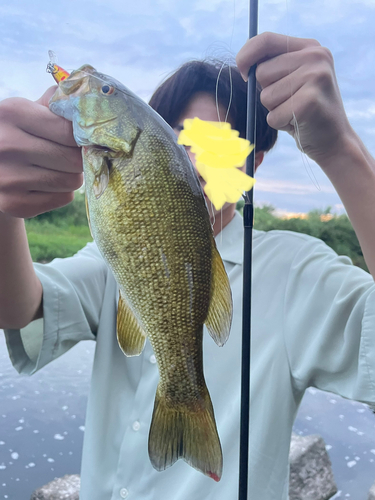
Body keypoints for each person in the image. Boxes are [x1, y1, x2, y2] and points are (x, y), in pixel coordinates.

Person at [1, 31, 375, 500]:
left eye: (214, 144)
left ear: (251, 165)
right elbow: (19, 309)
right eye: (176, 139)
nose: (191, 156)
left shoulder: (294, 272)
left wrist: (342, 150)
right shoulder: (116, 256)